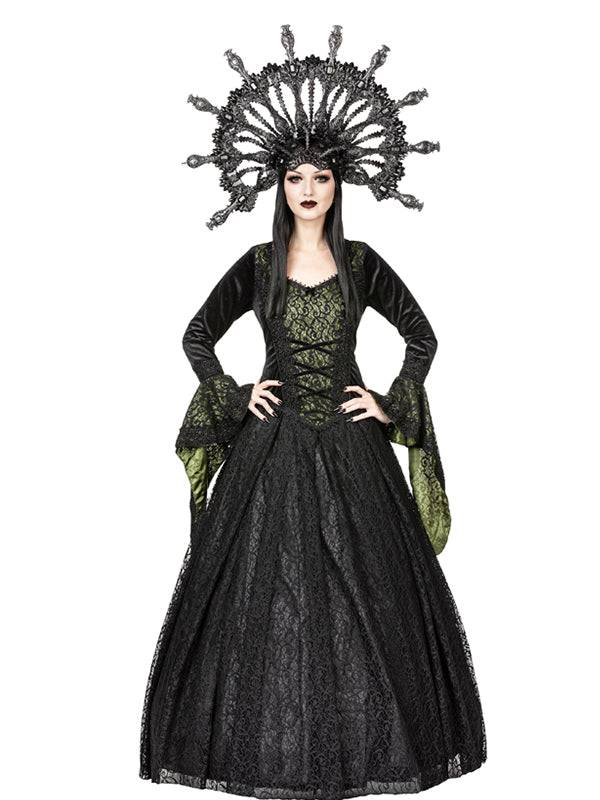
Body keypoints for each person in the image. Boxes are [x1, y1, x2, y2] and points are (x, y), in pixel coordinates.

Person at [139, 24, 487, 799]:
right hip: (271, 449)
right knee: (270, 600)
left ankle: (362, 754)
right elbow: (197, 334)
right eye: (295, 176)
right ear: (279, 185)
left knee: (370, 596)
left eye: (320, 177)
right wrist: (235, 394)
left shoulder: (360, 263)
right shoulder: (259, 265)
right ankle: (274, 756)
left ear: (338, 185)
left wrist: (389, 403)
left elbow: (422, 335)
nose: (307, 189)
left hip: (353, 449)